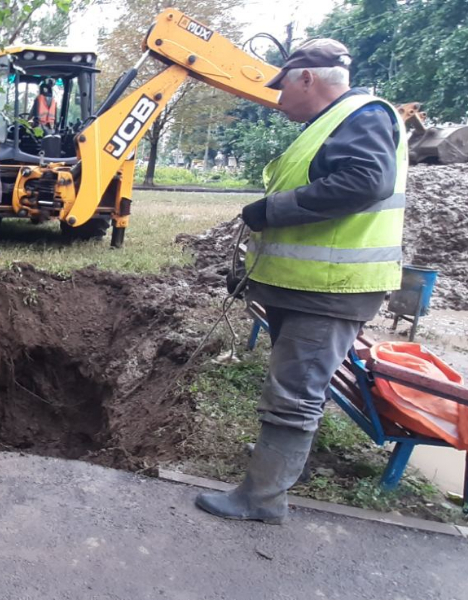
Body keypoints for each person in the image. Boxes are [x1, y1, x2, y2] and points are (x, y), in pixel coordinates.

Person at [195, 39, 407, 524]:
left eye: (282, 86)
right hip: (312, 286)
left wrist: (272, 211)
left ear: (307, 77)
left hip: (330, 290)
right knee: (294, 386)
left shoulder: (363, 116)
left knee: (295, 391)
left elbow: (363, 183)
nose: (277, 97)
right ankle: (277, 462)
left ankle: (262, 498)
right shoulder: (337, 122)